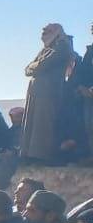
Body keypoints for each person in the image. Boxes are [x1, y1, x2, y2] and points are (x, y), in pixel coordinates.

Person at [20, 24, 73, 163]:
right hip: (37, 91)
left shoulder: (62, 46)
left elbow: (42, 66)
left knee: (43, 123)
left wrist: (35, 66)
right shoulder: (46, 49)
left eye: (47, 31)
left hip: (49, 91)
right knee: (33, 123)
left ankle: (41, 155)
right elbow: (27, 69)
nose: (43, 34)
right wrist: (35, 66)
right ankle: (30, 154)